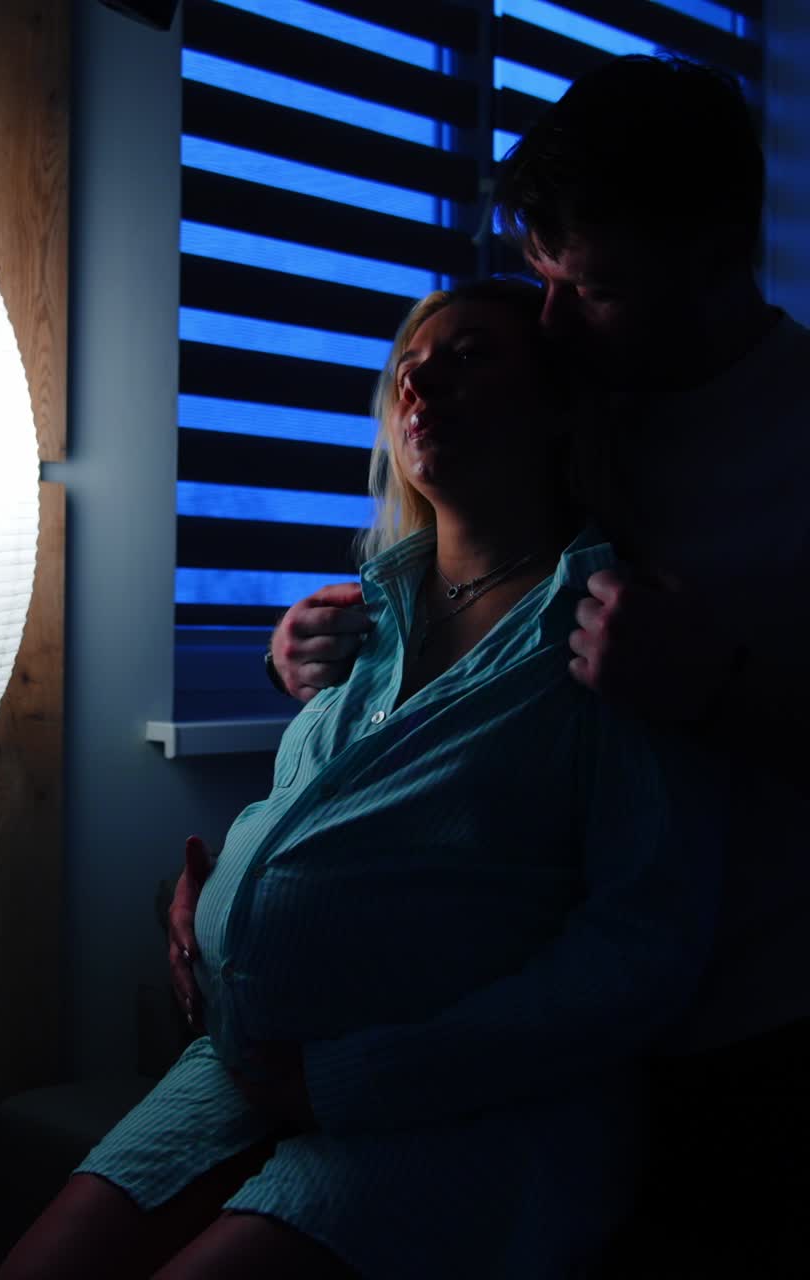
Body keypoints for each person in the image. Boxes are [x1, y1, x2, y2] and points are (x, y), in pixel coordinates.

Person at [0, 279, 723, 1280]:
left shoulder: (605, 630)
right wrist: (213, 913)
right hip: (242, 1061)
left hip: (463, 1106)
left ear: (559, 404)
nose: (419, 375)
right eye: (406, 366)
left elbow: (639, 947)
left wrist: (360, 1072)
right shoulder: (363, 616)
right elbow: (328, 822)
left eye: (469, 354)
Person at [221, 55, 810, 1274]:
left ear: (713, 252)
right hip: (540, 1026)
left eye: (587, 290)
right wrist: (314, 649)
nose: (547, 325)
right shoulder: (577, 406)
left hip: (764, 1025)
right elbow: (458, 605)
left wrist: (725, 692)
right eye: (541, 281)